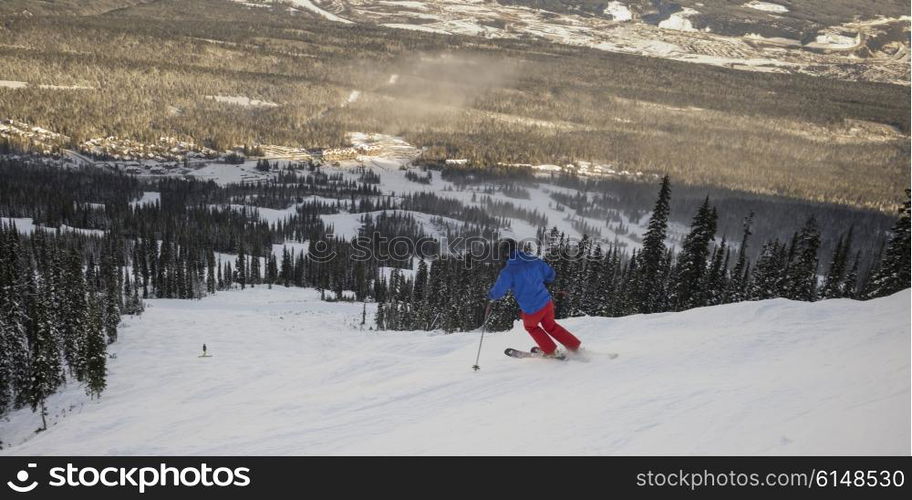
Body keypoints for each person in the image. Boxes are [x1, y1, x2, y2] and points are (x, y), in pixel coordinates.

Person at [487, 238, 581, 357]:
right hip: (547, 302)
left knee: (531, 327)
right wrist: (546, 280)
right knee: (551, 326)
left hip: (532, 308)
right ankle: (574, 346)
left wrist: (490, 296)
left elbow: (499, 291)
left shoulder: (508, 271)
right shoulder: (532, 259)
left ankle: (551, 351)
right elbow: (550, 274)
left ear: (504, 253)